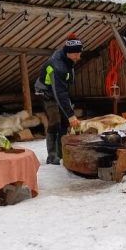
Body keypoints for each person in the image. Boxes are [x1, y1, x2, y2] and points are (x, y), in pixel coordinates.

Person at [34, 36, 83, 164]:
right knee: (55, 119)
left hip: (58, 90)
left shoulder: (69, 61)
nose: (79, 57)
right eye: (77, 54)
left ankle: (61, 152)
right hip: (46, 93)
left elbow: (64, 88)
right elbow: (59, 93)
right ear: (69, 52)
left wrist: (69, 113)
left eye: (80, 53)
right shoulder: (57, 65)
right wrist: (71, 115)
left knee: (65, 121)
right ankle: (52, 155)